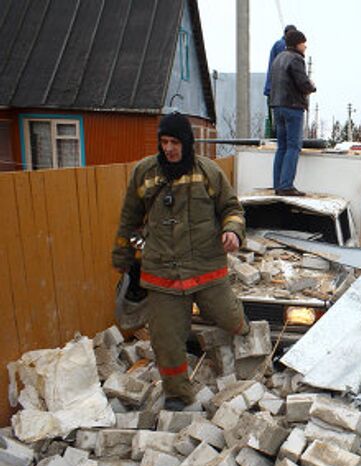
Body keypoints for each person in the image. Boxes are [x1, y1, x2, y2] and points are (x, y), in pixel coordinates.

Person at [112, 112, 250, 409]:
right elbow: (129, 219)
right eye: (164, 142)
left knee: (230, 318)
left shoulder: (209, 172)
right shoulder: (144, 174)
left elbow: (232, 208)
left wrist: (233, 231)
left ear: (187, 142)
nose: (169, 148)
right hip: (163, 274)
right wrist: (123, 257)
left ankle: (250, 339)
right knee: (165, 339)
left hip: (207, 269)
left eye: (175, 142)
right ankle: (178, 394)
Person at [269, 29, 316, 196]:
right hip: (292, 106)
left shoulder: (278, 59)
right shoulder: (296, 59)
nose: (305, 46)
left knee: (281, 147)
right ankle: (286, 185)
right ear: (297, 43)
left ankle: (278, 185)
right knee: (293, 147)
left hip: (277, 106)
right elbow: (303, 83)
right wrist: (312, 86)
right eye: (304, 43)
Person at [264, 25, 297, 138]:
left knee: (277, 124)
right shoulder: (284, 46)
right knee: (282, 129)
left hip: (272, 90)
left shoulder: (277, 45)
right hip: (279, 92)